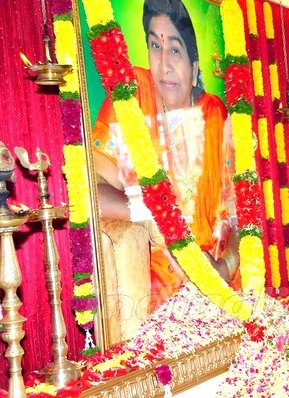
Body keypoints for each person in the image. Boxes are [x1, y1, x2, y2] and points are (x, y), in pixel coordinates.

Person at [92, 0, 238, 316]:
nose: (163, 64)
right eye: (154, 45)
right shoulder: (131, 95)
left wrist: (227, 265)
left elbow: (237, 209)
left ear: (194, 66)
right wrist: (154, 215)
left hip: (217, 277)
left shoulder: (213, 114)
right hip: (152, 281)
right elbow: (93, 189)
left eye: (174, 49)